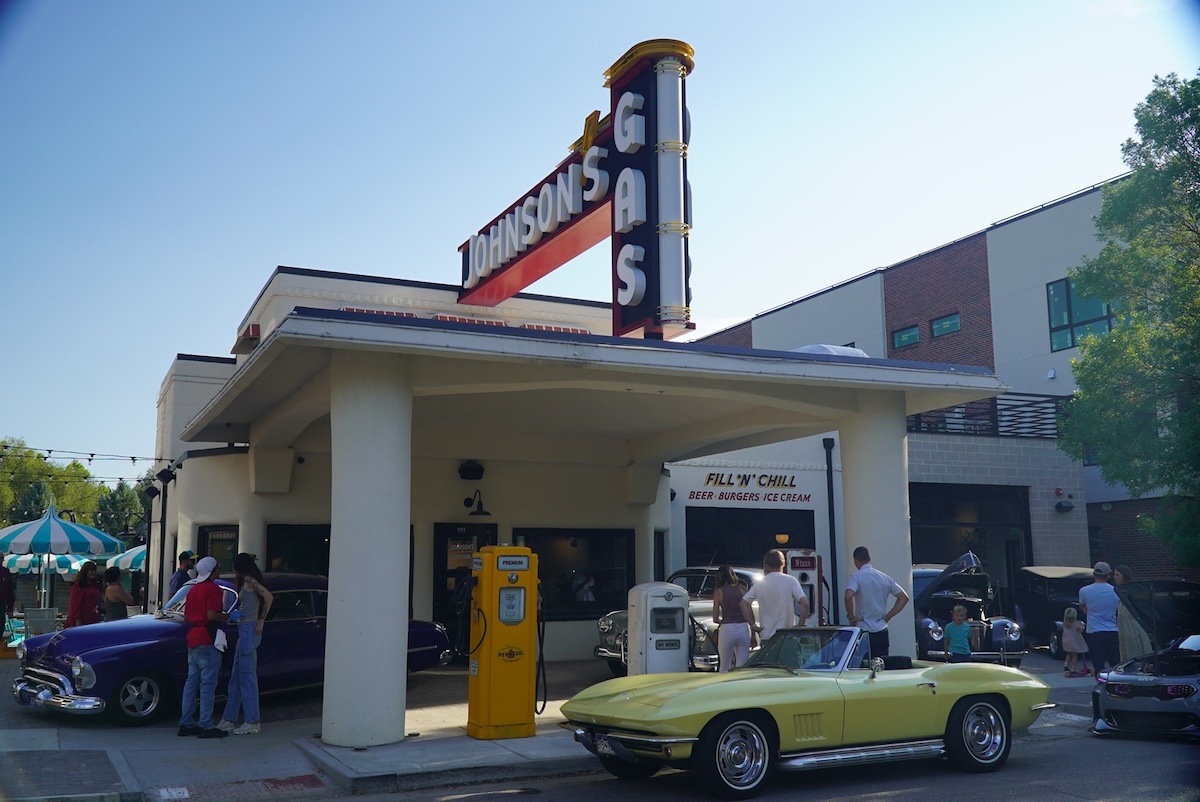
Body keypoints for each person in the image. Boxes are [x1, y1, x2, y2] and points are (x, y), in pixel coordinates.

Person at [217, 553, 274, 735]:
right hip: (244, 630)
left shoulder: (249, 580)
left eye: (235, 565)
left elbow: (268, 596)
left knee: (247, 677)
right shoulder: (247, 580)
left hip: (249, 629)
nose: (233, 568)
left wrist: (261, 621)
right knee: (236, 677)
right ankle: (229, 718)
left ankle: (252, 720)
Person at [178, 556, 230, 738]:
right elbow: (212, 615)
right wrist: (228, 616)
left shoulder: (192, 590)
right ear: (213, 571)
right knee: (208, 683)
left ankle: (186, 722)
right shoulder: (213, 589)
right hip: (208, 637)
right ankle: (206, 724)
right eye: (218, 568)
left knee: (191, 682)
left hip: (193, 636)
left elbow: (186, 617)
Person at [844, 546, 909, 658]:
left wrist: (851, 617)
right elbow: (904, 598)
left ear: (855, 560)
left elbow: (848, 596)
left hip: (863, 627)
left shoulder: (856, 577)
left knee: (862, 667)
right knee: (881, 666)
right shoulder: (884, 577)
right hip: (881, 628)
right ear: (869, 558)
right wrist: (888, 616)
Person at [740, 549, 809, 641]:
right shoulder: (791, 580)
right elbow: (804, 602)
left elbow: (743, 603)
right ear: (783, 563)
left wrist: (753, 626)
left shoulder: (760, 583)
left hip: (767, 635)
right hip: (787, 635)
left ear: (766, 565)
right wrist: (800, 625)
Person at [1079, 561, 1120, 678]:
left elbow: (1083, 607)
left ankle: (1100, 687)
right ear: (1108, 575)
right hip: (1112, 630)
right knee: (1115, 663)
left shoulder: (1084, 591)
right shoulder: (1116, 591)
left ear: (1094, 574)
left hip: (1094, 632)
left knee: (1098, 664)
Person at [712, 565, 753, 672]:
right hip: (743, 627)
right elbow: (749, 609)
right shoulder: (742, 589)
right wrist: (753, 632)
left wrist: (722, 621)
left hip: (727, 629)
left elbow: (715, 619)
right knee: (742, 667)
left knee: (724, 666)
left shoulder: (718, 592)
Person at [65, 561, 102, 628]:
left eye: (94, 570)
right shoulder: (78, 586)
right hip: (81, 620)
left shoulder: (94, 585)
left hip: (93, 619)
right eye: (90, 570)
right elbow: (74, 605)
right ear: (85, 572)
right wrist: (77, 620)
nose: (93, 572)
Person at [1061, 607, 1090, 677]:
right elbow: (1080, 631)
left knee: (1069, 653)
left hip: (1066, 641)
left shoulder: (1065, 623)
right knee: (1074, 655)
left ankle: (1066, 664)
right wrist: (1082, 626)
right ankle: (1073, 668)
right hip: (1073, 642)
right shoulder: (1076, 623)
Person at [0, 564, 15, 638]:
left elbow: (10, 592)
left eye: (2, 559)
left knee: (1, 628)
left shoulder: (5, 572)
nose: (2, 561)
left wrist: (10, 609)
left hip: (1, 605)